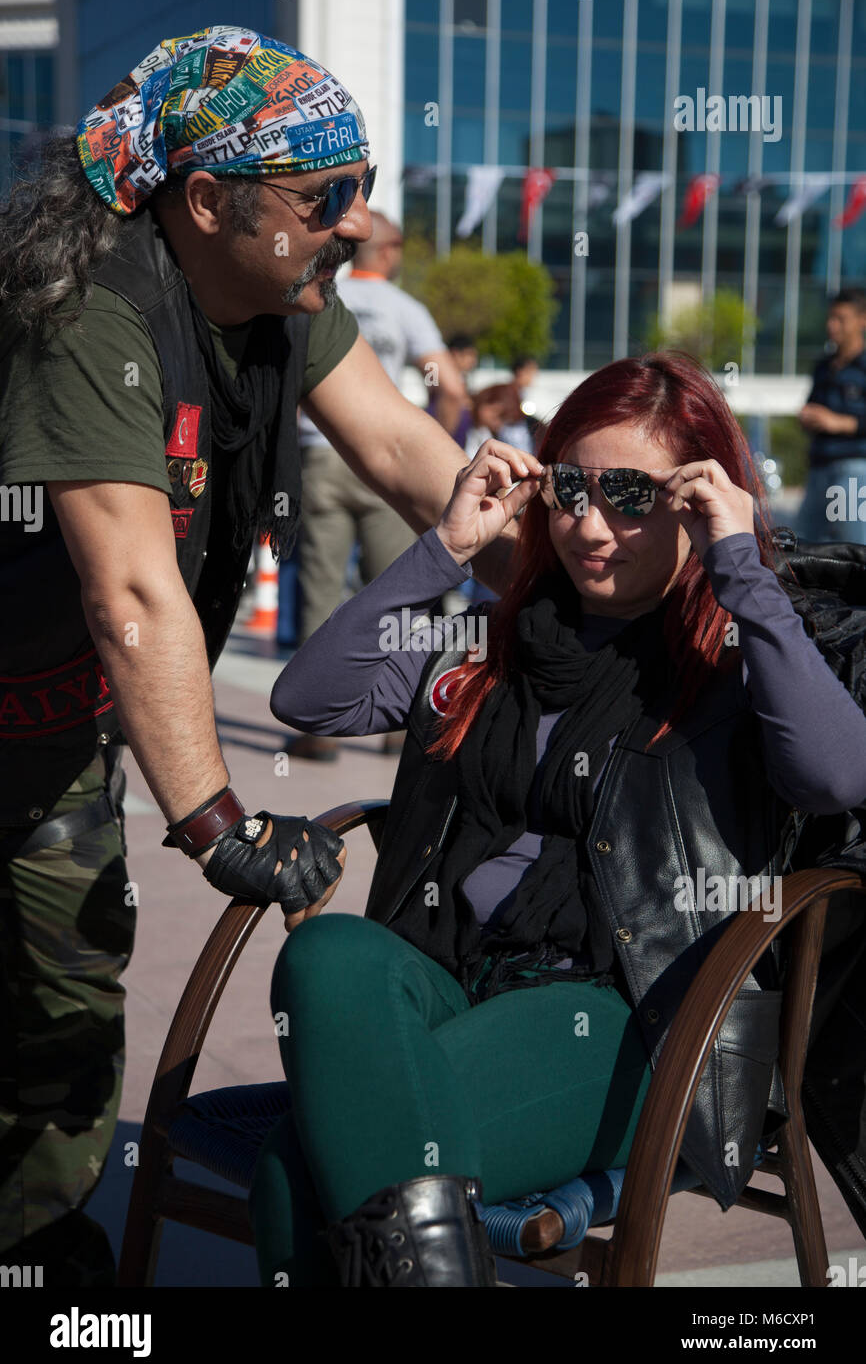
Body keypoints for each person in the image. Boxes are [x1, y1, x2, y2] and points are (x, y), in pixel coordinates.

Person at [0, 25, 515, 1286]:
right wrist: (214, 816)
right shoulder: (91, 314)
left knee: (63, 994)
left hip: (50, 723)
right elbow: (130, 589)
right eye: (323, 197)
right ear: (208, 199)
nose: (352, 222)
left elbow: (404, 455)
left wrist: (564, 586)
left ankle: (37, 1249)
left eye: (364, 191)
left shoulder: (288, 301)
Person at [251, 351, 866, 1286]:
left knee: (294, 1174)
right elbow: (311, 698)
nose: (589, 524)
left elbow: (835, 774)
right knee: (329, 954)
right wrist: (445, 548)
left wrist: (740, 562)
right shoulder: (501, 639)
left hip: (630, 1018)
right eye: (569, 487)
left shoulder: (738, 654)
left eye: (629, 494)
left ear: (698, 500)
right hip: (452, 981)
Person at [290, 211, 466, 760]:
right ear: (388, 253)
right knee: (399, 591)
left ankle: (317, 731)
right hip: (390, 457)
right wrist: (438, 433)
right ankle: (397, 722)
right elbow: (452, 387)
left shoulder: (320, 292)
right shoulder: (405, 308)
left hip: (319, 453)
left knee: (320, 585)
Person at [796, 287, 866, 547]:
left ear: (862, 320)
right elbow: (813, 406)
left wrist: (837, 422)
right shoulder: (823, 366)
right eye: (830, 318)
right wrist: (808, 417)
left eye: (841, 319)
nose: (832, 325)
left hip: (854, 469)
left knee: (853, 549)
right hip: (819, 468)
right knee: (801, 545)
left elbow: (835, 419)